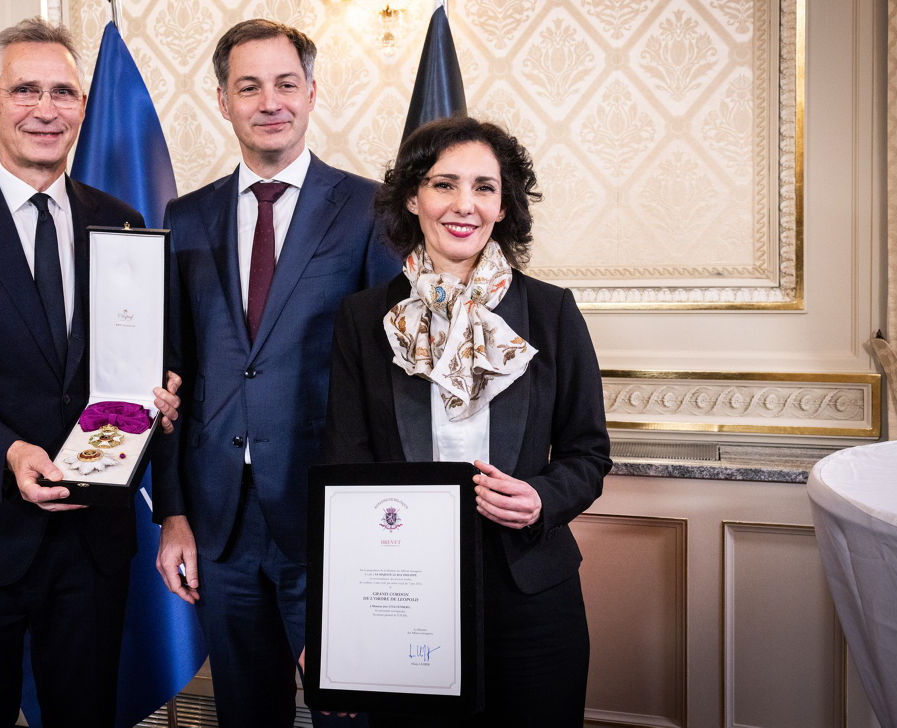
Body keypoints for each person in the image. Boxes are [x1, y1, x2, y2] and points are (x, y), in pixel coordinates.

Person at [0, 18, 177, 727]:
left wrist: (161, 393)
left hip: (90, 537)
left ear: (81, 106)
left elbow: (134, 360)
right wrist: (12, 453)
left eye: (63, 93)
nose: (46, 110)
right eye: (25, 91)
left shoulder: (124, 222)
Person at [321, 116, 611, 726]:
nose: (464, 204)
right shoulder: (363, 319)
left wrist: (541, 497)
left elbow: (587, 453)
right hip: (403, 594)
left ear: (503, 206)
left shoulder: (552, 311)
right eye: (444, 184)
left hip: (531, 594)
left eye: (484, 187)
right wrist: (339, 629)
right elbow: (346, 471)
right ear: (412, 197)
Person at [151, 17, 397, 728]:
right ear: (223, 100)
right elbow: (171, 376)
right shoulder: (185, 216)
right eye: (249, 86)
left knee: (348, 713)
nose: (270, 102)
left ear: (312, 93)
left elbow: (391, 378)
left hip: (328, 518)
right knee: (245, 712)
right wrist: (173, 513)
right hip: (220, 521)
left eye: (286, 84)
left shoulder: (370, 209)